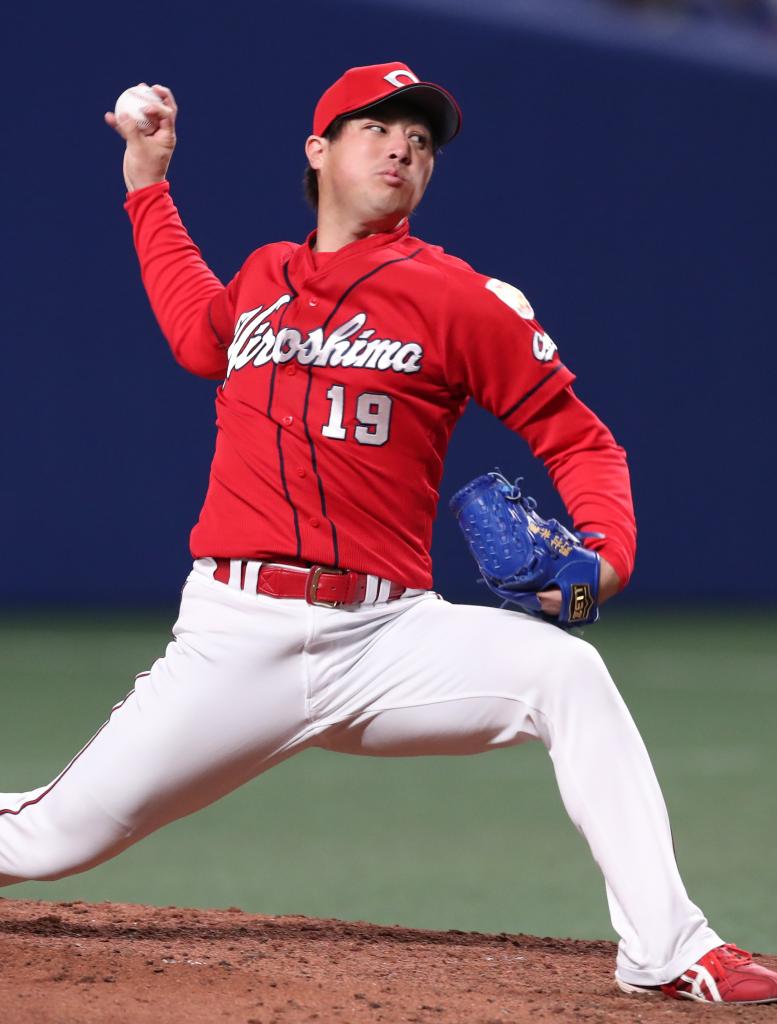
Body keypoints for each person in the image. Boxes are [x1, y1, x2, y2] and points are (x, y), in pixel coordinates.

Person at [0, 62, 774, 1005]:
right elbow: (194, 332)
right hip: (238, 637)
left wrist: (604, 559)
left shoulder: (457, 298)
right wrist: (147, 184)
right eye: (378, 127)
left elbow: (580, 440)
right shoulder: (263, 279)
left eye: (421, 137)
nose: (404, 144)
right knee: (48, 840)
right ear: (319, 151)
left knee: (566, 675)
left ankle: (666, 946)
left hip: (390, 638)